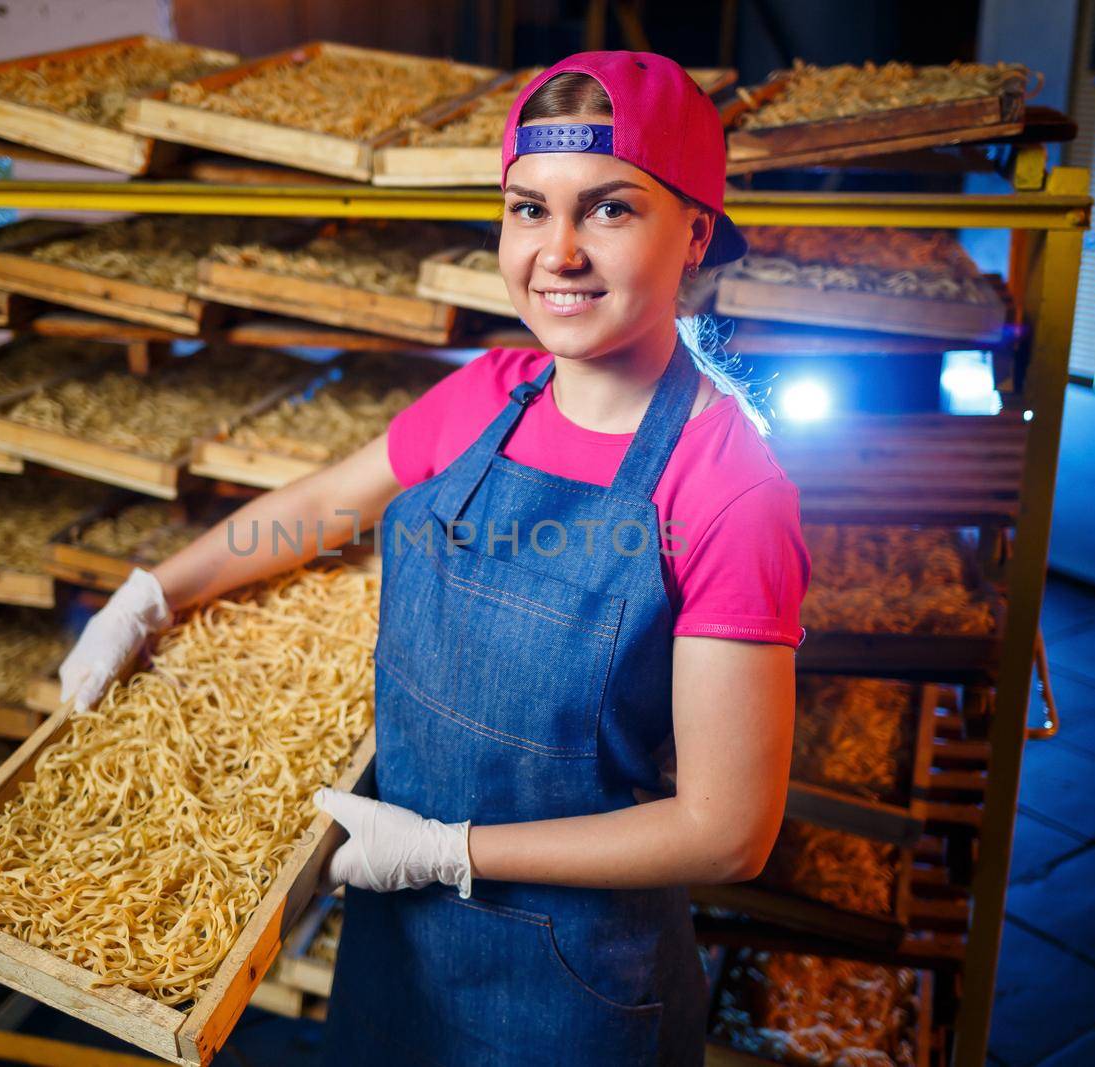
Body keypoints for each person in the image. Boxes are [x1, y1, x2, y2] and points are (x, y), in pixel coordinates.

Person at [58, 50, 811, 1067]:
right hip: (399, 938)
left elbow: (726, 830)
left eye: (610, 210)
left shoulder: (726, 487)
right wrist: (152, 594)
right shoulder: (482, 397)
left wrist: (447, 852)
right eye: (526, 208)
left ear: (696, 232)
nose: (557, 252)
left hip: (569, 978)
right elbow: (320, 507)